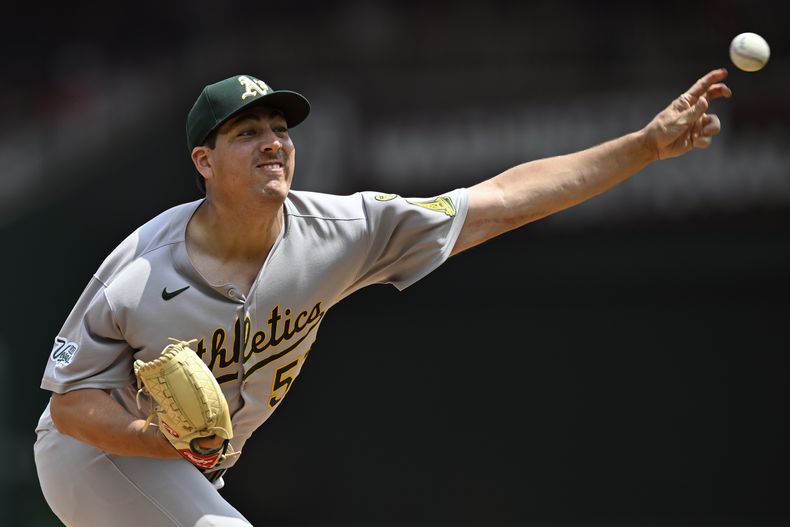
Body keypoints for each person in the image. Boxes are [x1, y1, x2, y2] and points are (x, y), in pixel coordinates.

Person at [34, 69, 731, 526]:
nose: (273, 142)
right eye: (248, 133)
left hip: (186, 471)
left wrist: (642, 147)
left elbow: (502, 201)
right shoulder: (138, 270)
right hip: (93, 454)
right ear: (204, 162)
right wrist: (152, 437)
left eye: (281, 129)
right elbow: (69, 404)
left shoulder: (342, 231)